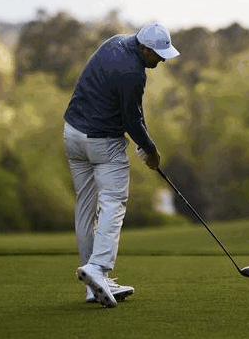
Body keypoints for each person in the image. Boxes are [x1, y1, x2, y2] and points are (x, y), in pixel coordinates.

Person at [63, 23, 180, 308]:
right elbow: (131, 119)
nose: (162, 60)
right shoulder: (133, 73)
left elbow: (133, 114)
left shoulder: (115, 41)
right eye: (158, 54)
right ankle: (98, 268)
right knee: (114, 202)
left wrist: (144, 143)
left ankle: (93, 286)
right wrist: (150, 149)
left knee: (86, 207)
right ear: (143, 47)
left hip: (72, 134)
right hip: (102, 141)